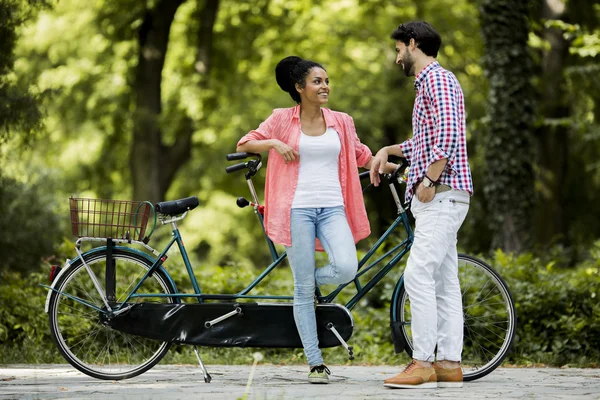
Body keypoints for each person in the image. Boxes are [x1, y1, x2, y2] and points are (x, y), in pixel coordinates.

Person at [237, 56, 396, 384]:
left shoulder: (341, 120)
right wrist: (274, 143)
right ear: (299, 88)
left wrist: (404, 171)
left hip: (333, 207)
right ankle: (315, 363)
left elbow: (362, 156)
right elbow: (246, 142)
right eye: (317, 81)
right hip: (295, 209)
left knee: (347, 268)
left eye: (326, 81)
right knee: (302, 288)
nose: (325, 86)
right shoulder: (281, 119)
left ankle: (306, 283)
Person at [370, 21, 473, 389]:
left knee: (417, 275)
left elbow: (447, 134)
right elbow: (425, 141)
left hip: (441, 192)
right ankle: (448, 363)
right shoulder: (429, 84)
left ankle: (423, 362)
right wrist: (389, 151)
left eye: (399, 48)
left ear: (413, 44)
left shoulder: (437, 79)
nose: (397, 56)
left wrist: (428, 180)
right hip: (442, 192)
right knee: (444, 281)